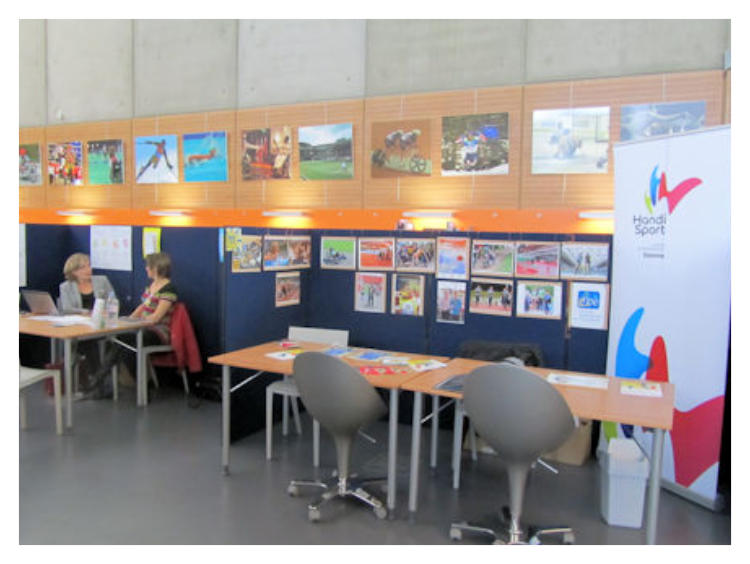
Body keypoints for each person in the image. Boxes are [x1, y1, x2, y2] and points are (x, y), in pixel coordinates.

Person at [89, 252, 178, 397]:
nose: (146, 269)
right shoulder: (152, 285)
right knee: (117, 340)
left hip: (158, 332)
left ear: (156, 268)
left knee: (126, 344)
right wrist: (128, 320)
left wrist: (136, 322)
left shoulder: (169, 289)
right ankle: (101, 381)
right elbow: (142, 307)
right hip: (142, 328)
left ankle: (99, 380)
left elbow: (156, 318)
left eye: (148, 266)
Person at [58, 253, 116, 392]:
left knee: (88, 342)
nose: (88, 269)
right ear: (74, 271)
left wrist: (105, 310)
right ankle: (97, 381)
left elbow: (113, 301)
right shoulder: (66, 287)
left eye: (89, 266)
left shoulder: (102, 281)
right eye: (83, 267)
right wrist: (85, 312)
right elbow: (66, 308)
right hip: (80, 326)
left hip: (101, 326)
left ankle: (95, 380)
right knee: (85, 341)